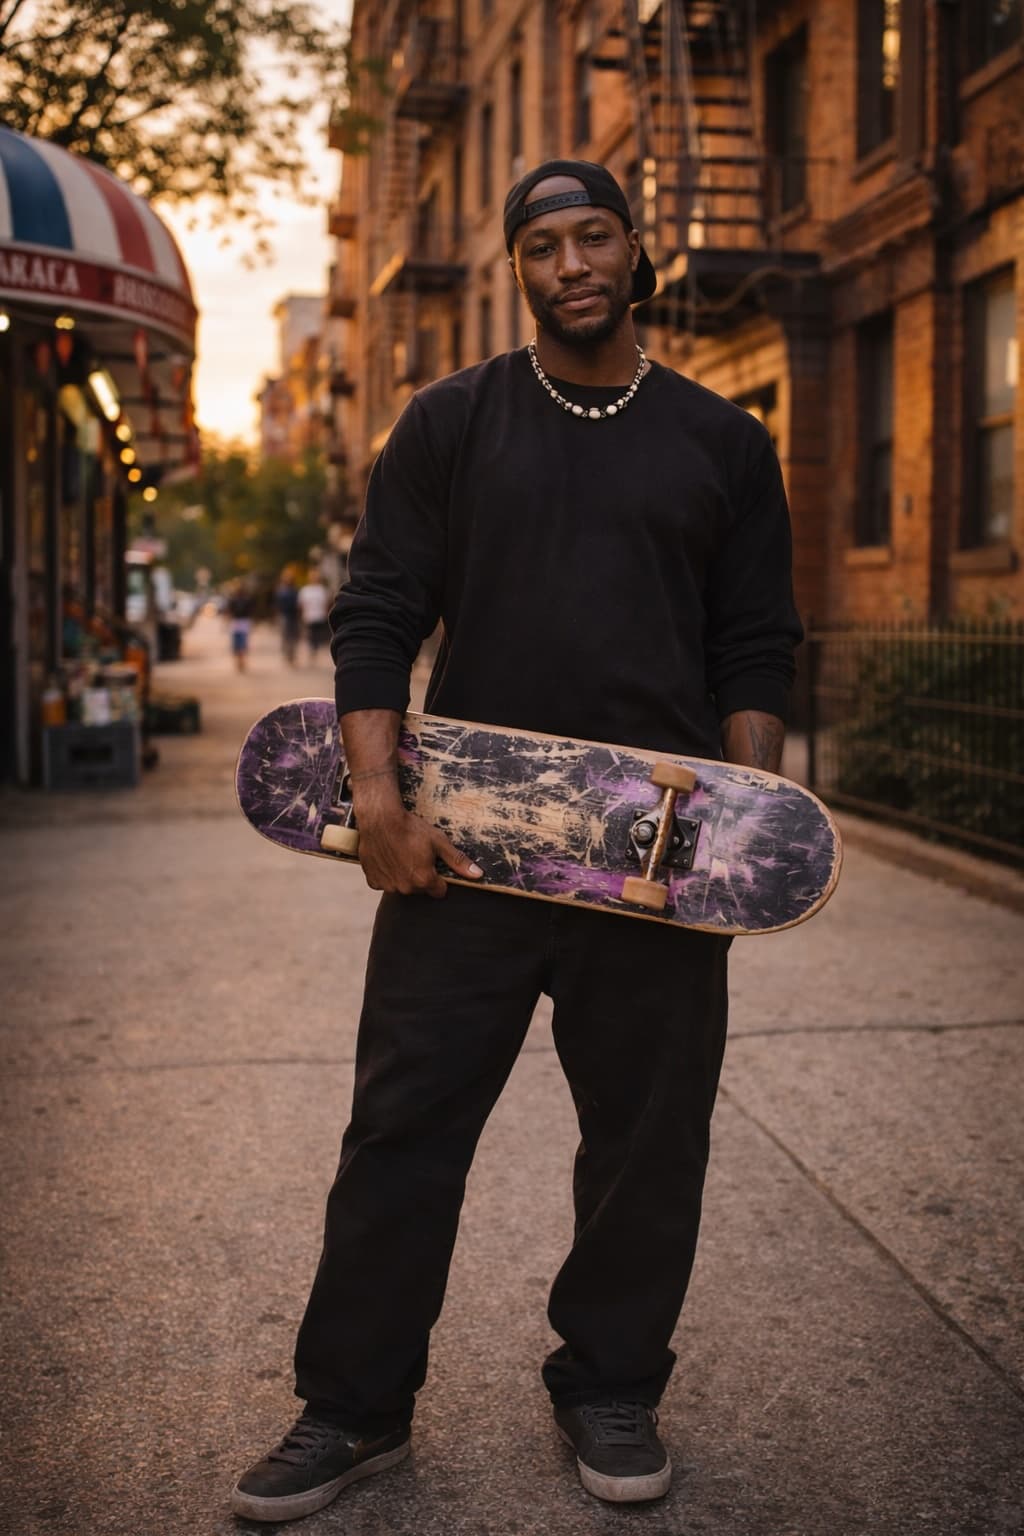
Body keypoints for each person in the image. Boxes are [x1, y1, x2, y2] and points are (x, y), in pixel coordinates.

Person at [232, 159, 803, 1524]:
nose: (568, 265)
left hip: (657, 858)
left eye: (591, 236)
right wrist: (376, 798)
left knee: (648, 1144)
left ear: (634, 249)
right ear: (520, 270)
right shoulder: (450, 422)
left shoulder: (723, 441)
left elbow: (757, 646)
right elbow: (377, 612)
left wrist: (740, 824)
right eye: (540, 246)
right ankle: (353, 1406)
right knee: (402, 1130)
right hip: (462, 848)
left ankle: (609, 1381)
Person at [297, 569, 330, 662]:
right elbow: (301, 605)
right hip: (310, 616)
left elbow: (326, 604)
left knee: (315, 634)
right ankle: (313, 650)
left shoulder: (320, 590)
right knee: (312, 634)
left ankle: (314, 649)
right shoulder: (307, 590)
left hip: (317, 615)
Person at [275, 567, 301, 666]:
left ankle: (292, 655)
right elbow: (277, 605)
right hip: (285, 616)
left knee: (293, 637)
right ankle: (288, 655)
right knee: (286, 636)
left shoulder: (295, 590)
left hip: (293, 616)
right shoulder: (281, 590)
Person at [226, 581, 253, 673]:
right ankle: (239, 661)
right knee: (238, 643)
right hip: (239, 623)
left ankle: (240, 661)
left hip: (241, 623)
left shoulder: (246, 600)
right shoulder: (234, 600)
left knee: (240, 643)